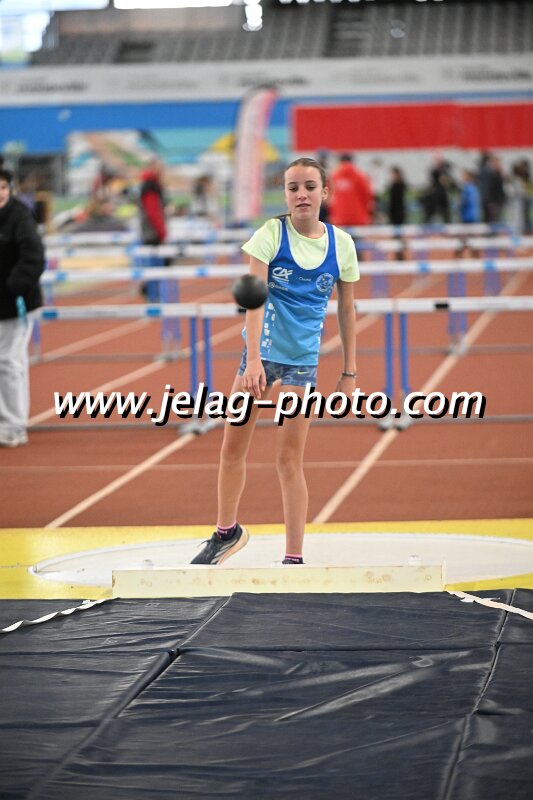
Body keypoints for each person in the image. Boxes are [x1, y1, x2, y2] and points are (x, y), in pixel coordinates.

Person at [191, 157, 359, 566]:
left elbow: (347, 310)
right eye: (292, 187)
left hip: (302, 365)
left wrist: (349, 372)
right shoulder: (270, 233)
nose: (301, 194)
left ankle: (294, 557)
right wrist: (252, 362)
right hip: (260, 359)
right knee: (232, 449)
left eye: (309, 186)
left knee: (289, 460)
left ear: (325, 192)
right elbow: (254, 298)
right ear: (284, 193)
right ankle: (226, 533)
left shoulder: (342, 245)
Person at [0, 168, 45, 448]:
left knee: (9, 362)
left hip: (15, 302)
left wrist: (13, 286)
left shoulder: (19, 217)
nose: (0, 193)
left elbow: (34, 258)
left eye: (3, 187)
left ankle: (13, 425)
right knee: (8, 362)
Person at [138, 159, 168, 300]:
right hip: (152, 233)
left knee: (155, 266)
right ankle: (151, 294)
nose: (162, 170)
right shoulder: (150, 186)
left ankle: (152, 293)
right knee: (154, 267)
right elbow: (153, 212)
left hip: (151, 231)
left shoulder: (151, 185)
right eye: (159, 167)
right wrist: (161, 232)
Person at [328, 153, 373, 227]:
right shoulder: (360, 176)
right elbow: (367, 196)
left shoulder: (334, 176)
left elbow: (329, 197)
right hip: (358, 217)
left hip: (339, 217)